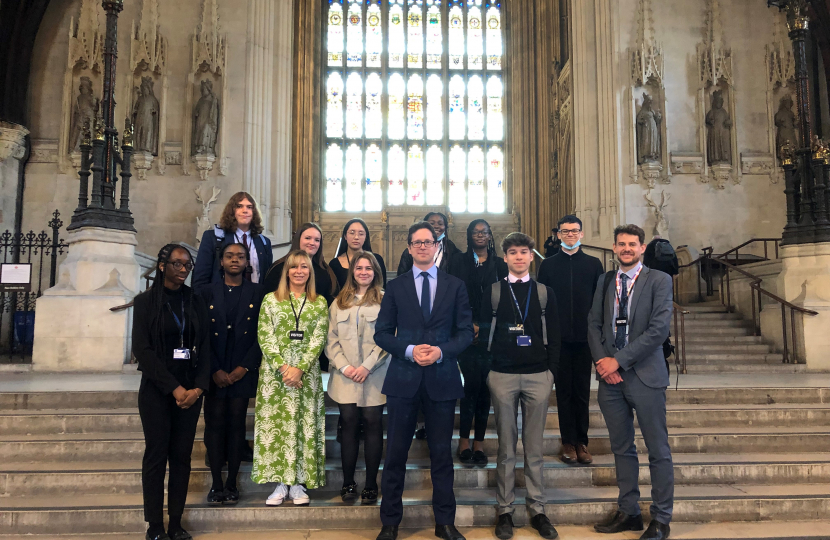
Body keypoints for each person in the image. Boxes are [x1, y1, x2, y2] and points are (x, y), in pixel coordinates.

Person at [374, 222, 474, 540]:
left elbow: (464, 333)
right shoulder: (396, 286)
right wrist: (408, 349)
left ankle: (445, 522)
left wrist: (441, 352)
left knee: (442, 455)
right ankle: (390, 523)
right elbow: (382, 333)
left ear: (436, 247)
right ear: (409, 248)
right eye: (416, 243)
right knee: (396, 455)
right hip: (403, 379)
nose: (422, 247)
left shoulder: (455, 285)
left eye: (427, 242)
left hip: (441, 378)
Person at [588, 224, 673, 540]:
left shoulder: (659, 280)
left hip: (645, 376)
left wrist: (619, 360)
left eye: (632, 244)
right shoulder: (606, 280)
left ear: (642, 248)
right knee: (621, 448)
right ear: (614, 248)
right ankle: (630, 512)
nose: (626, 248)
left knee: (657, 449)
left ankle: (662, 518)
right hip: (610, 380)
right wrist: (603, 363)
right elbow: (593, 323)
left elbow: (658, 330)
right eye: (621, 244)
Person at [480, 233, 561, 540]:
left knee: (535, 448)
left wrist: (550, 372)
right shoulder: (494, 291)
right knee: (505, 448)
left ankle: (538, 509)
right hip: (502, 374)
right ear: (505, 258)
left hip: (538, 375)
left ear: (531, 257)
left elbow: (554, 335)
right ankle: (504, 511)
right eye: (512, 252)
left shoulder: (543, 292)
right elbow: (483, 331)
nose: (518, 257)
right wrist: (488, 369)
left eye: (523, 252)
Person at [132, 244, 210, 540]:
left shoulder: (195, 300)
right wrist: (174, 388)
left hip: (190, 391)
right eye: (177, 264)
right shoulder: (145, 302)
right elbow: (142, 349)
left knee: (181, 457)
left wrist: (198, 388)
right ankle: (154, 525)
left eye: (187, 265)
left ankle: (175, 522)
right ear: (162, 265)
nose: (183, 270)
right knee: (156, 456)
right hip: (157, 390)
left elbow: (205, 347)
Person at [253, 250, 329, 506]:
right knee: (278, 427)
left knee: (302, 426)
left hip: (306, 376)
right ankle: (279, 483)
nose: (299, 271)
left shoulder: (319, 302)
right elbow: (265, 336)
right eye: (294, 267)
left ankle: (298, 483)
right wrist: (284, 369)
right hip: (275, 377)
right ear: (287, 271)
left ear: (310, 272)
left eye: (304, 267)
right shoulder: (270, 300)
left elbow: (319, 338)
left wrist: (301, 368)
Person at [536, 215, 604, 465]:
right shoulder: (548, 266)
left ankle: (582, 442)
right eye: (565, 232)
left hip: (585, 339)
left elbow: (600, 303)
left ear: (581, 234)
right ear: (559, 235)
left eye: (574, 231)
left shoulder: (594, 264)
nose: (570, 235)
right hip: (559, 340)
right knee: (563, 392)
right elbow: (541, 303)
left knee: (582, 392)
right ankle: (567, 442)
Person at [200, 243, 265, 506]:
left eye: (240, 256)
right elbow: (202, 335)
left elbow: (262, 334)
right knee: (214, 426)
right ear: (221, 262)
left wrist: (243, 368)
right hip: (214, 371)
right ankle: (216, 483)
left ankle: (232, 483)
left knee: (237, 426)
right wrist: (214, 369)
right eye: (229, 256)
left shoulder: (258, 292)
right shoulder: (206, 293)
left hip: (242, 370)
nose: (235, 260)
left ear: (247, 262)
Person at [326, 252, 389, 504]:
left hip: (374, 374)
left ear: (375, 272)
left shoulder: (385, 301)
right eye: (359, 268)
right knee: (349, 424)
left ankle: (371, 484)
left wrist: (366, 366)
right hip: (345, 376)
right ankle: (348, 482)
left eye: (369, 268)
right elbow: (330, 341)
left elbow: (387, 337)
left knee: (373, 424)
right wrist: (344, 367)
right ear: (352, 271)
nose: (364, 272)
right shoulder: (339, 302)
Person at [447, 219, 508, 465]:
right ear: (469, 235)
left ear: (490, 235)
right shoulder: (458, 262)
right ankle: (463, 439)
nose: (480, 235)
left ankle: (479, 442)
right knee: (470, 386)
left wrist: (485, 327)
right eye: (475, 232)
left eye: (484, 232)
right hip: (465, 332)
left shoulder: (500, 265)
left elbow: (504, 300)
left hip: (492, 334)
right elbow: (452, 296)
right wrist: (468, 324)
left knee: (485, 388)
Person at [262, 223, 339, 372]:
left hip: (311, 351)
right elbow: (267, 313)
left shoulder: (325, 271)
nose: (312, 242)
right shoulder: (279, 268)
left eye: (317, 240)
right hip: (280, 351)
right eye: (308, 238)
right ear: (298, 239)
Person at [192, 192, 273, 293]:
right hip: (221, 300)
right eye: (239, 206)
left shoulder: (264, 243)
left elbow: (268, 279)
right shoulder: (213, 237)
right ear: (231, 210)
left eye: (249, 207)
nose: (245, 211)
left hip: (255, 300)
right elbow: (200, 278)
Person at [330, 218, 388, 287]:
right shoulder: (335, 264)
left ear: (365, 237)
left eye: (361, 234)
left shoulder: (377, 260)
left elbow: (382, 287)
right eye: (352, 233)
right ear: (345, 236)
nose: (356, 237)